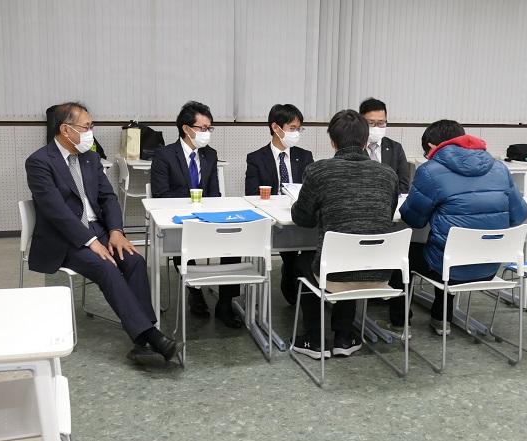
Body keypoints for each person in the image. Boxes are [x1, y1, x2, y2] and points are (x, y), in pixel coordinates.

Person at [25, 102, 183, 368]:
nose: (91, 132)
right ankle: (153, 336)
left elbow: (108, 198)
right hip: (64, 238)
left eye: (91, 126)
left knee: (134, 260)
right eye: (86, 127)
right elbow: (56, 211)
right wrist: (90, 241)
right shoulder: (39, 162)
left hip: (99, 230)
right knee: (106, 267)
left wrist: (116, 232)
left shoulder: (90, 158)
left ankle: (143, 342)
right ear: (66, 129)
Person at [381, 120, 527, 339]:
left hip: (449, 267)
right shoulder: (500, 168)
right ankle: (442, 319)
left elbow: (414, 220)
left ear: (431, 147)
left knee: (406, 252)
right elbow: (519, 215)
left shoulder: (430, 171)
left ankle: (399, 324)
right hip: (490, 266)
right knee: (447, 249)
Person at [290, 109, 399, 358]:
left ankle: (315, 339)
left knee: (304, 262)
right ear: (365, 141)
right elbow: (387, 214)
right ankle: (344, 336)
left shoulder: (318, 171)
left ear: (332, 141)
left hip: (335, 275)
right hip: (381, 273)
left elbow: (302, 219)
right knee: (351, 255)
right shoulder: (388, 174)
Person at [151, 101, 242, 328]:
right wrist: (190, 206)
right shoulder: (164, 155)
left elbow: (214, 193)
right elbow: (161, 195)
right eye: (202, 128)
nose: (207, 133)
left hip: (207, 218)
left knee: (234, 240)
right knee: (183, 242)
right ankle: (194, 289)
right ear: (186, 128)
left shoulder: (210, 154)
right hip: (178, 220)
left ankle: (225, 302)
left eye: (209, 128)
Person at [244, 104, 314, 305]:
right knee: (290, 252)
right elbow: (251, 195)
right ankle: (290, 269)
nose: (296, 133)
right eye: (292, 128)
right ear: (276, 128)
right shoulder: (256, 158)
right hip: (272, 220)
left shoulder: (305, 156)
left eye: (299, 129)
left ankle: (297, 275)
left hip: (298, 216)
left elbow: (311, 190)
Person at [359, 98, 410, 193]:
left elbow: (404, 185)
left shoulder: (396, 148)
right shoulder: (353, 148)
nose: (376, 127)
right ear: (361, 122)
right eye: (371, 123)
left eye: (381, 123)